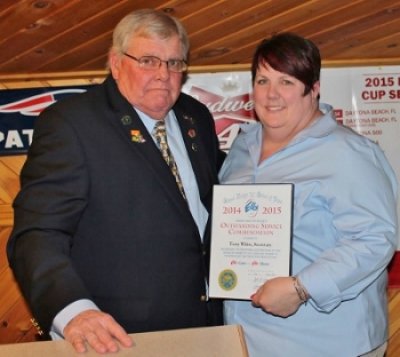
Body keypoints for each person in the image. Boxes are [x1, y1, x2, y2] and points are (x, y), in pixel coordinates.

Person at [7, 8, 225, 354]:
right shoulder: (72, 124)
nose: (163, 75)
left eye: (174, 63)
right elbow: (37, 234)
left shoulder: (193, 115)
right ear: (116, 62)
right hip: (116, 337)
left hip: (207, 326)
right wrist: (75, 313)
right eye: (149, 60)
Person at [219, 32, 398, 357]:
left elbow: (375, 239)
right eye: (262, 81)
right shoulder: (242, 148)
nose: (271, 95)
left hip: (326, 343)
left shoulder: (348, 152)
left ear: (313, 89)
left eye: (286, 82)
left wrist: (302, 288)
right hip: (246, 340)